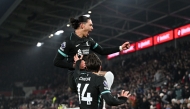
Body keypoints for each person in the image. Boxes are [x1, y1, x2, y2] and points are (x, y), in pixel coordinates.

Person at [53, 14, 130, 92]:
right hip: (75, 76)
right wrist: (74, 65)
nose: (92, 28)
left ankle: (102, 97)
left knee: (108, 75)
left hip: (87, 73)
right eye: (90, 25)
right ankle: (103, 96)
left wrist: (120, 48)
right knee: (104, 78)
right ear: (82, 25)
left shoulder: (88, 40)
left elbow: (102, 51)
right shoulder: (69, 41)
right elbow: (57, 62)